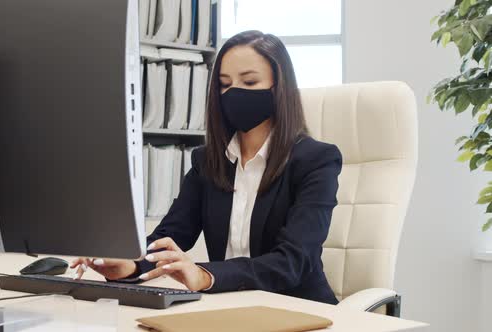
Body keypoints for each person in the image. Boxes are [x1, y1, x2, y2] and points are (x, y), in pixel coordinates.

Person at [71, 30, 342, 305]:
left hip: (302, 310)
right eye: (224, 84)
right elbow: (169, 236)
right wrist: (128, 264)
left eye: (249, 82)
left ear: (279, 87)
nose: (234, 92)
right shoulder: (208, 162)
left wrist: (204, 275)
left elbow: (292, 261)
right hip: (229, 309)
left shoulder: (316, 161)